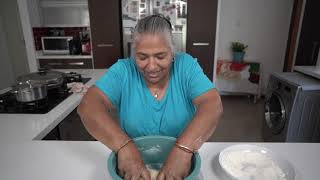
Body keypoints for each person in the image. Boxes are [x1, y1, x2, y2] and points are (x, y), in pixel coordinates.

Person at [77, 14, 223, 180]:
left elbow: (212, 104)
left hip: (182, 163)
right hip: (133, 165)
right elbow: (88, 106)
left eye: (160, 56)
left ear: (172, 51)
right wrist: (124, 146)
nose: (151, 66)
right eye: (142, 57)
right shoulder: (123, 71)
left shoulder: (186, 66)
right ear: (134, 53)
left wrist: (183, 150)